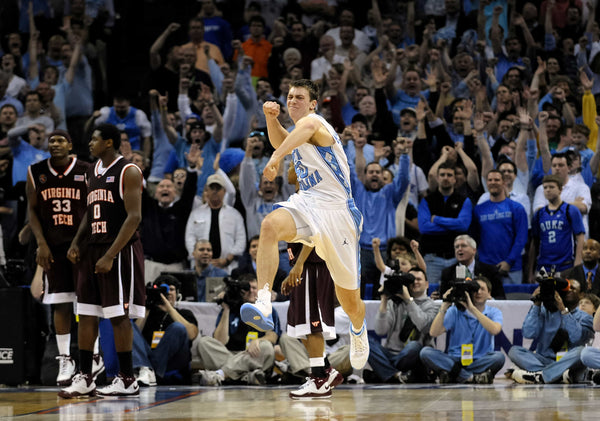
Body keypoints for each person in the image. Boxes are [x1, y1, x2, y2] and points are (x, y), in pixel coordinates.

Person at [239, 79, 369, 371]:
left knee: (349, 300)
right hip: (308, 202)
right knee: (270, 226)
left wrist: (275, 158)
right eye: (289, 97)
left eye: (299, 97)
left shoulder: (316, 123)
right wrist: (271, 119)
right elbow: (280, 139)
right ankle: (263, 301)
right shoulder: (296, 135)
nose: (292, 101)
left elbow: (290, 140)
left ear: (312, 103)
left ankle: (359, 330)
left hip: (337, 213)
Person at [59, 123, 145, 398]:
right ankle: (85, 376)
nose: (90, 144)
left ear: (109, 142)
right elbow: (88, 212)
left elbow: (134, 217)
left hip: (117, 249)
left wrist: (110, 255)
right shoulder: (90, 172)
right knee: (85, 312)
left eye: (95, 140)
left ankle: (127, 378)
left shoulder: (128, 171)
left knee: (118, 315)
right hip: (93, 248)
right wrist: (76, 242)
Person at [26, 130, 103, 386]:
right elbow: (33, 211)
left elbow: (95, 205)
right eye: (51, 141)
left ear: (70, 145)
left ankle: (94, 354)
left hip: (82, 245)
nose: (55, 144)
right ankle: (65, 358)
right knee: (60, 303)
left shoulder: (86, 169)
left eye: (60, 140)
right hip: (54, 246)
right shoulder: (36, 171)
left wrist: (83, 241)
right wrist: (41, 243)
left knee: (87, 303)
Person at [278, 243, 345, 399]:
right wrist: (295, 268)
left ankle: (319, 381)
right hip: (304, 266)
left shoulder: (302, 217)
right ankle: (326, 371)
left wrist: (299, 264)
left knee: (312, 326)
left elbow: (312, 235)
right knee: (301, 328)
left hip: (311, 266)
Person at [195, 275, 281, 385]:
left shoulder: (267, 309)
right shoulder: (232, 307)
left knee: (267, 347)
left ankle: (221, 374)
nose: (250, 291)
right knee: (204, 342)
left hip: (253, 355)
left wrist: (258, 341)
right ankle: (245, 376)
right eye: (246, 289)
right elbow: (220, 341)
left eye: (254, 288)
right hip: (230, 353)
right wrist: (226, 309)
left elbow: (272, 337)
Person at [419, 277, 505, 384]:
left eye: (482, 289)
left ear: (489, 294)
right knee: (425, 352)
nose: (478, 292)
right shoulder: (455, 311)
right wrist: (445, 306)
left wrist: (472, 309)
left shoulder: (494, 312)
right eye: (475, 289)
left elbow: (495, 330)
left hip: (479, 359)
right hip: (455, 359)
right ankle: (471, 377)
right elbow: (433, 333)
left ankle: (455, 375)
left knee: (499, 357)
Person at [510, 279, 594, 384]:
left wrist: (563, 310)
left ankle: (542, 375)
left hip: (569, 360)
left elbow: (576, 338)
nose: (568, 290)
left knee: (581, 351)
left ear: (581, 295)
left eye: (573, 288)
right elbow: (528, 333)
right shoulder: (546, 312)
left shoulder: (585, 318)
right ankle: (554, 374)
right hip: (545, 359)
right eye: (566, 288)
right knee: (514, 351)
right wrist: (536, 304)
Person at [369, 266, 438, 383]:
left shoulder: (433, 305)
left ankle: (385, 371)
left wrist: (408, 300)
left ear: (427, 284)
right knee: (364, 342)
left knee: (414, 346)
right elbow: (380, 331)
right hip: (390, 353)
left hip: (413, 355)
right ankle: (396, 375)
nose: (415, 282)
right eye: (411, 279)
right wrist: (384, 300)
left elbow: (424, 326)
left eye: (418, 279)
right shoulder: (394, 302)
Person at [133, 275, 198, 386]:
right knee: (128, 326)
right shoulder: (148, 314)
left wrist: (169, 308)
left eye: (171, 289)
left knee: (178, 328)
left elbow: (192, 334)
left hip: (173, 362)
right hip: (148, 358)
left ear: (177, 294)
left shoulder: (184, 313)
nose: (167, 293)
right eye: (162, 289)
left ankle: (150, 371)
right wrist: (147, 307)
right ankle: (147, 369)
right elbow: (135, 335)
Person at [418, 163, 473, 284]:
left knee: (460, 293)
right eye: (442, 175)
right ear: (437, 178)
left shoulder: (464, 200)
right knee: (431, 295)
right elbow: (424, 227)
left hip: (456, 259)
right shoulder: (427, 200)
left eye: (449, 175)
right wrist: (453, 226)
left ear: (455, 179)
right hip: (432, 259)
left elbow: (463, 225)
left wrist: (437, 219)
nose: (445, 178)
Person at [471, 170, 528, 284]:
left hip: (511, 269)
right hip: (485, 268)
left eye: (497, 180)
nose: (493, 182)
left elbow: (521, 238)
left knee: (513, 301)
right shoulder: (478, 209)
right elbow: (474, 238)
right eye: (490, 180)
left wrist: (509, 261)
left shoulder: (517, 208)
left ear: (504, 183)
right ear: (486, 183)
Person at [185, 173, 246, 274]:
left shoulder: (234, 215)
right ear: (206, 191)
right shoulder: (196, 214)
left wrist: (228, 259)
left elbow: (241, 240)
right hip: (201, 267)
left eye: (218, 188)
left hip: (227, 266)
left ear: (224, 191)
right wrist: (199, 257)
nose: (215, 191)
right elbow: (190, 238)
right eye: (212, 188)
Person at [529, 175, 586, 282]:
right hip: (544, 266)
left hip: (565, 265)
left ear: (560, 189)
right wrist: (530, 271)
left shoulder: (571, 210)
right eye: (545, 188)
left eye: (551, 187)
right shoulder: (539, 214)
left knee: (565, 295)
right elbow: (534, 243)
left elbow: (580, 238)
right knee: (544, 295)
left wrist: (577, 264)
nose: (548, 190)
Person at [440, 235, 505, 300]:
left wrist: (490, 300)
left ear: (474, 250)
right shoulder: (447, 273)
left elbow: (501, 297)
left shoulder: (490, 270)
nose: (459, 249)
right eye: (456, 247)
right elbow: (442, 297)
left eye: (463, 246)